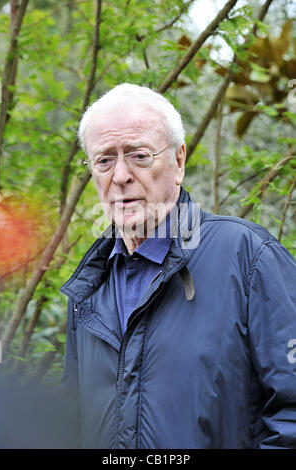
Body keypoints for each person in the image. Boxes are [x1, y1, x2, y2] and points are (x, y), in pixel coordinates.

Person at [60, 83, 296, 449]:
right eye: (104, 160)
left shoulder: (248, 257)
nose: (119, 176)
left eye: (139, 155)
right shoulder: (90, 285)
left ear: (179, 161)